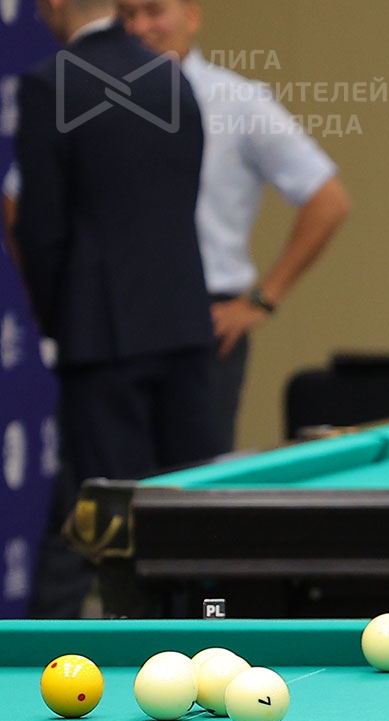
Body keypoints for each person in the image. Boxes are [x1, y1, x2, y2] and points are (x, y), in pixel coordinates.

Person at [14, 0, 213, 616]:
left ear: (54, 5)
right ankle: (204, 641)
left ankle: (140, 650)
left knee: (115, 525)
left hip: (101, 334)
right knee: (190, 512)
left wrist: (58, 318)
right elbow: (184, 192)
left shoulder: (50, 83)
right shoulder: (171, 77)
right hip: (185, 322)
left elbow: (41, 226)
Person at [116, 0, 351, 455]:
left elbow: (328, 200)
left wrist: (263, 299)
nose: (141, 26)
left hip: (208, 324)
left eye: (154, 10)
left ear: (191, 15)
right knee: (106, 479)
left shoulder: (239, 102)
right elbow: (20, 199)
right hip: (115, 320)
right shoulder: (93, 98)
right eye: (127, 14)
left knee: (194, 478)